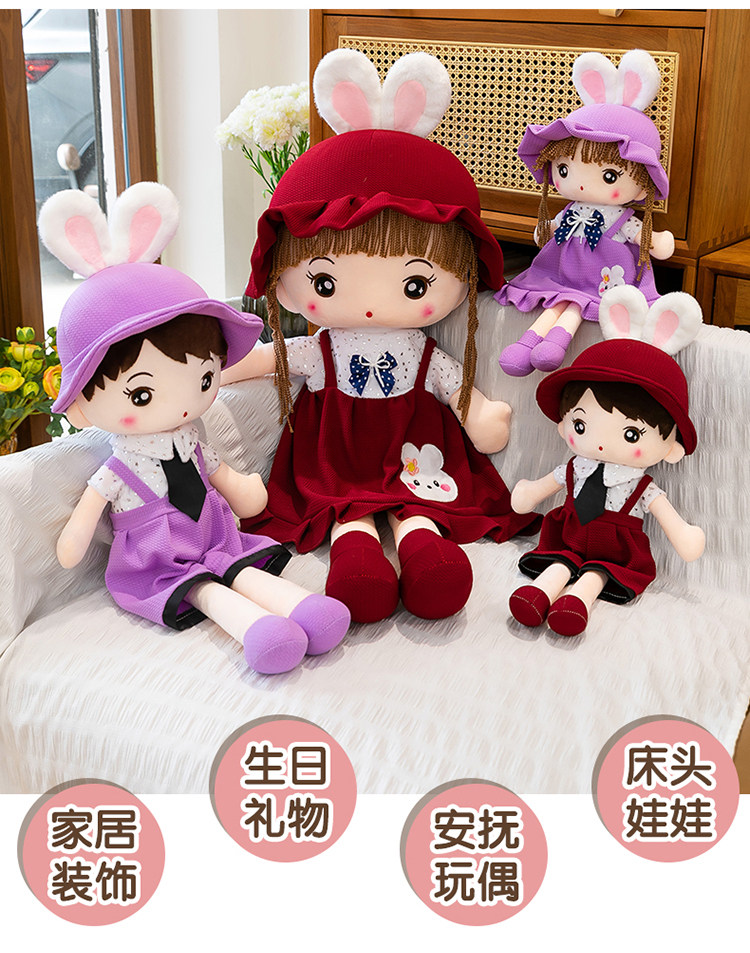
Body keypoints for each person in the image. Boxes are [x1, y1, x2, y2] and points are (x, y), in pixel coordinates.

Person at [223, 49, 538, 624]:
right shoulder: (321, 349)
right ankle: (358, 553)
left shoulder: (421, 350)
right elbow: (272, 358)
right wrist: (222, 369)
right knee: (348, 511)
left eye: (416, 284)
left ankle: (421, 546)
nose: (370, 306)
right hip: (335, 453)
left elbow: (449, 380)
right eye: (324, 282)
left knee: (420, 503)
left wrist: (477, 410)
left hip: (417, 447)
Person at [40, 182, 350, 674]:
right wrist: (74, 541)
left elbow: (219, 475)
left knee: (239, 568)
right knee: (204, 590)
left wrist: (244, 491)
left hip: (213, 533)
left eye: (205, 379)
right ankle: (256, 630)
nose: (182, 403)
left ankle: (301, 606)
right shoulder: (117, 471)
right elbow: (80, 529)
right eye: (142, 395)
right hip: (157, 559)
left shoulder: (191, 441)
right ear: (80, 406)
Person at [508, 286, 705, 637]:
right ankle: (539, 592)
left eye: (631, 434)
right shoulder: (575, 468)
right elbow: (546, 486)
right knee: (561, 562)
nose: (599, 443)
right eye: (580, 425)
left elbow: (664, 514)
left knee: (596, 574)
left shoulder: (641, 486)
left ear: (670, 447)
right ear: (564, 423)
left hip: (616, 548)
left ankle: (577, 601)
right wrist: (530, 493)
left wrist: (683, 534)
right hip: (569, 535)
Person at [496, 49, 675, 376]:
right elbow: (551, 230)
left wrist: (656, 240)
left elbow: (642, 237)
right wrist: (546, 228)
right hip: (561, 273)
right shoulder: (570, 210)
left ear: (641, 185)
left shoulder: (620, 219)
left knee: (575, 306)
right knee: (557, 301)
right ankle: (525, 345)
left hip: (599, 279)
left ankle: (554, 344)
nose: (577, 184)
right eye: (564, 169)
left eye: (609, 176)